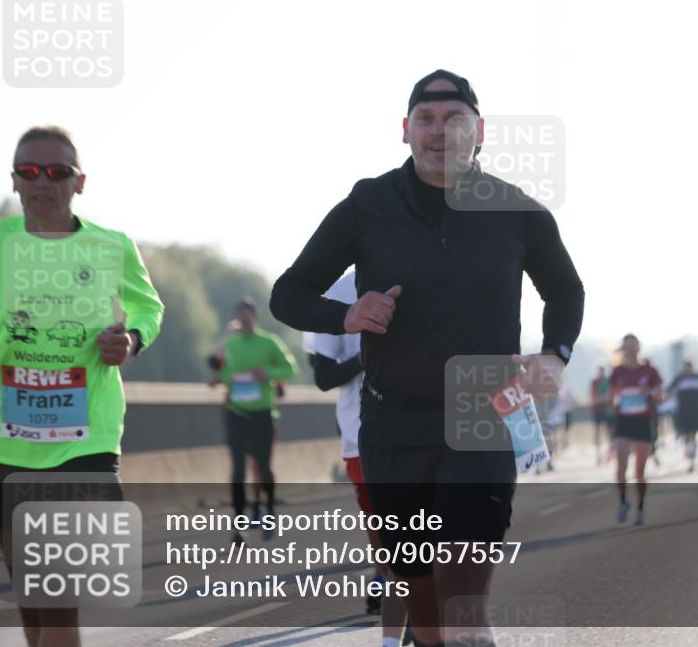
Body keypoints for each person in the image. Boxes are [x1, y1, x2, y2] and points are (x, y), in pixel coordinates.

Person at [269, 69, 585, 647]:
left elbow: (565, 290)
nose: (440, 131)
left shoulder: (517, 212)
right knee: (428, 616)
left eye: (454, 118)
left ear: (479, 131)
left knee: (463, 613)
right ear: (406, 129)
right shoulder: (367, 204)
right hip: (393, 423)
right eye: (426, 119)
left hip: (483, 416)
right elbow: (288, 293)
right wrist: (347, 315)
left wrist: (555, 356)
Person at [0, 126, 164, 647]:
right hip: (7, 444)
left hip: (85, 443)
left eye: (57, 172)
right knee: (33, 601)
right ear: (14, 180)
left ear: (79, 182)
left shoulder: (111, 246)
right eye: (29, 171)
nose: (43, 181)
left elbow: (148, 308)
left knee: (56, 599)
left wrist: (131, 339)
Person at [302, 270, 409, 647]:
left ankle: (407, 595)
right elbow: (323, 377)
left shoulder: (423, 272)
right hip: (359, 428)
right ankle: (387, 576)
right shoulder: (337, 293)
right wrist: (367, 356)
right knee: (381, 516)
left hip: (419, 421)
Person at [212, 298, 298, 542]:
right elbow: (225, 373)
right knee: (238, 469)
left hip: (262, 413)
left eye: (248, 314)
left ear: (255, 317)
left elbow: (290, 369)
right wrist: (221, 378)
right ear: (237, 318)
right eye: (241, 314)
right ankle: (239, 523)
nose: (245, 318)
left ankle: (269, 510)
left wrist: (267, 373)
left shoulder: (269, 342)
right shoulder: (232, 344)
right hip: (237, 412)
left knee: (263, 467)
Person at [609, 334, 662, 525]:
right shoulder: (617, 371)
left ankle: (640, 507)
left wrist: (650, 393)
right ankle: (623, 502)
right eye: (627, 346)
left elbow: (660, 393)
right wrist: (616, 400)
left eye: (634, 345)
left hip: (642, 421)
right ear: (623, 349)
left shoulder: (649, 371)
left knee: (639, 471)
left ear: (639, 348)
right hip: (624, 421)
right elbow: (612, 394)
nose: (631, 349)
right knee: (620, 469)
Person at [667, 360, 698, 473]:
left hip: (695, 410)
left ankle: (692, 460)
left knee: (693, 434)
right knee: (686, 436)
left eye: (690, 366)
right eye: (687, 366)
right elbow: (669, 390)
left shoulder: (697, 377)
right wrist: (675, 391)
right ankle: (688, 451)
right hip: (682, 411)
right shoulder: (679, 378)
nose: (688, 368)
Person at [590, 366, 613, 465]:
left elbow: (611, 395)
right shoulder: (595, 382)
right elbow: (593, 397)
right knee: (598, 432)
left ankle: (609, 453)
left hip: (607, 410)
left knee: (609, 432)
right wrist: (601, 399)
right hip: (597, 410)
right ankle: (598, 454)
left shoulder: (608, 381)